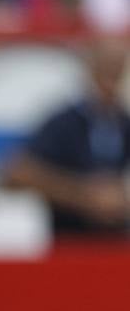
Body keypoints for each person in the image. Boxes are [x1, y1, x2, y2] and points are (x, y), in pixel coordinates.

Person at [8, 40, 130, 236]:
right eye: (105, 71)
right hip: (67, 237)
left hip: (114, 239)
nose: (110, 82)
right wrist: (83, 196)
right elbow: (18, 172)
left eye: (117, 73)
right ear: (90, 70)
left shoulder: (122, 122)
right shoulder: (65, 122)